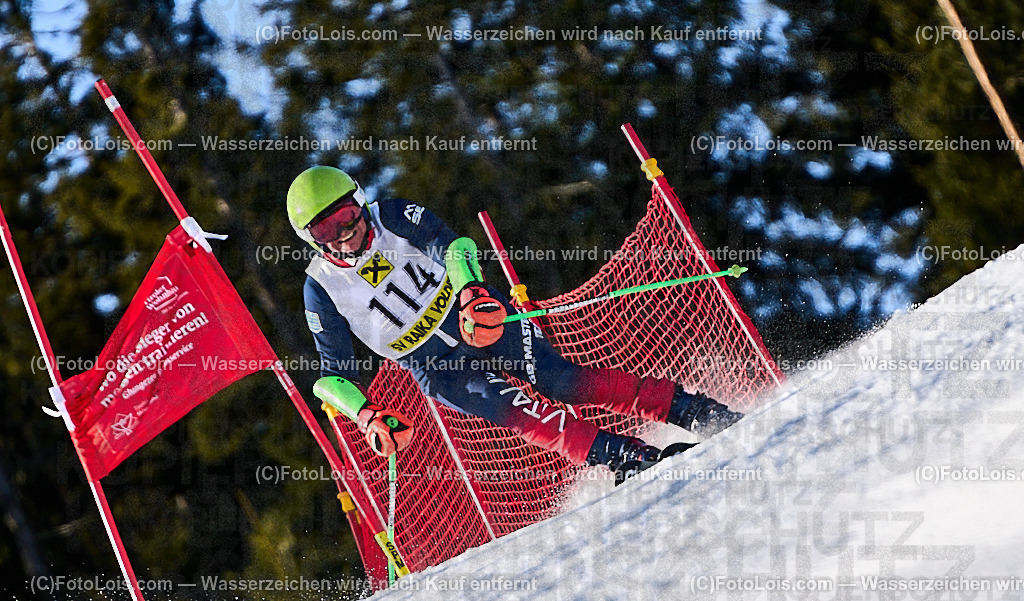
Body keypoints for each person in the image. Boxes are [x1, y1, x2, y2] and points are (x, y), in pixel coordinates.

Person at [287, 166, 742, 483]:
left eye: (346, 218)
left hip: (472, 314)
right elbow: (332, 377)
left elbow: (452, 245)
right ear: (310, 240)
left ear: (359, 201)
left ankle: (692, 410)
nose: (345, 235)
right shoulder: (320, 286)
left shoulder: (390, 216)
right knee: (527, 416)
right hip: (434, 365)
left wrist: (470, 290)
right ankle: (626, 458)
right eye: (327, 232)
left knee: (563, 380)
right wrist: (366, 416)